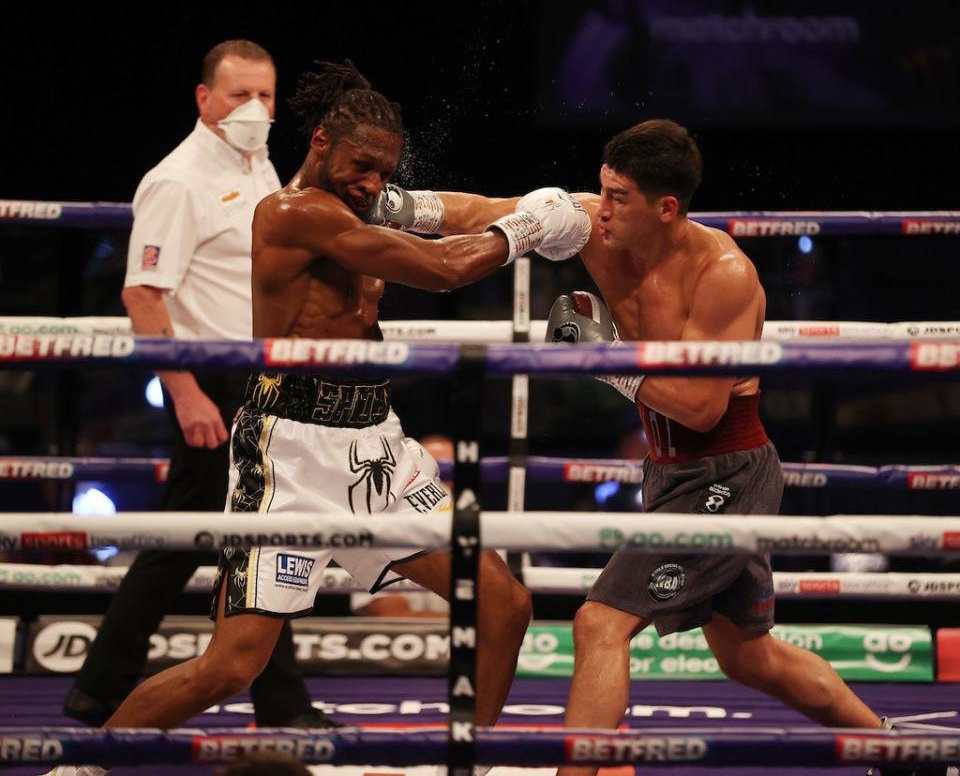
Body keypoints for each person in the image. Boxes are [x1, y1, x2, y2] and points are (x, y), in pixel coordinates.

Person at [45, 60, 590, 775]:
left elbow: (454, 209)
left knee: (504, 602)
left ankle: (465, 765)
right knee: (231, 665)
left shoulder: (363, 195)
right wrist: (525, 228)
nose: (373, 183)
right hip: (290, 448)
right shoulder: (294, 211)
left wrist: (558, 202)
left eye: (383, 171)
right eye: (362, 165)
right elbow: (446, 265)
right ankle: (80, 767)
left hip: (374, 444)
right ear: (323, 139)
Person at [373, 119, 938, 776]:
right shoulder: (596, 226)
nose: (599, 207)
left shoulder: (723, 272)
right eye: (601, 189)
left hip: (727, 474)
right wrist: (394, 205)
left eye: (618, 197)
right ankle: (898, 749)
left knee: (599, 623)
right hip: (669, 471)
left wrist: (601, 357)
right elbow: (491, 211)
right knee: (749, 655)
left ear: (666, 208)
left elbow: (702, 406)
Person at [63, 39, 332, 731]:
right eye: (240, 94)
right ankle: (102, 691)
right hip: (213, 374)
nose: (255, 108)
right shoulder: (178, 179)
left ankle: (268, 699)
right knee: (200, 539)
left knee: (249, 535)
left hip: (258, 373)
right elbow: (143, 296)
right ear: (203, 98)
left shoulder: (258, 163)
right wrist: (185, 393)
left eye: (266, 95)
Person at [350, 434, 452, 617]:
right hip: (401, 641)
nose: (442, 483)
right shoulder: (376, 524)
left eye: (449, 473)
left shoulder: (478, 528)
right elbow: (389, 613)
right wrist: (464, 624)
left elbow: (494, 610)